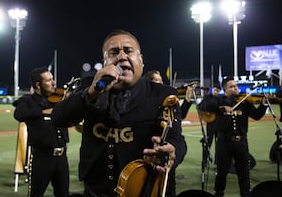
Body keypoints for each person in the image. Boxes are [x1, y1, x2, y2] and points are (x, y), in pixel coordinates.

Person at [51, 29, 187, 197]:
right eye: (114, 52)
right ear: (105, 61)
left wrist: (174, 151)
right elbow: (58, 118)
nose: (122, 57)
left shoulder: (163, 94)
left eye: (128, 51)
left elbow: (177, 138)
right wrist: (92, 92)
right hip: (95, 191)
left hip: (144, 190)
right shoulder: (90, 87)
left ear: (141, 60)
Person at [199, 76, 268, 197]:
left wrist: (263, 105)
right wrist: (222, 108)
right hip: (223, 143)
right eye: (232, 87)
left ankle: (246, 194)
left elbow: (256, 116)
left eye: (236, 86)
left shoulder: (244, 102)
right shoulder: (219, 100)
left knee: (244, 173)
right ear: (225, 89)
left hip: (241, 143)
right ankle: (219, 194)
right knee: (221, 173)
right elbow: (204, 106)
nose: (235, 88)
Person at [14, 67, 69, 197]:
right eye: (49, 80)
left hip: (61, 158)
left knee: (63, 194)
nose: (54, 83)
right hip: (42, 158)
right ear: (38, 84)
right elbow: (19, 114)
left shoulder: (58, 100)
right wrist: (42, 112)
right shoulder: (27, 101)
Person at [144, 69, 192, 196]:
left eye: (161, 81)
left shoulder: (169, 104)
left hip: (166, 167)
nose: (161, 85)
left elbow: (177, 135)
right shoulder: (141, 104)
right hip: (142, 166)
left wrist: (186, 100)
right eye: (156, 82)